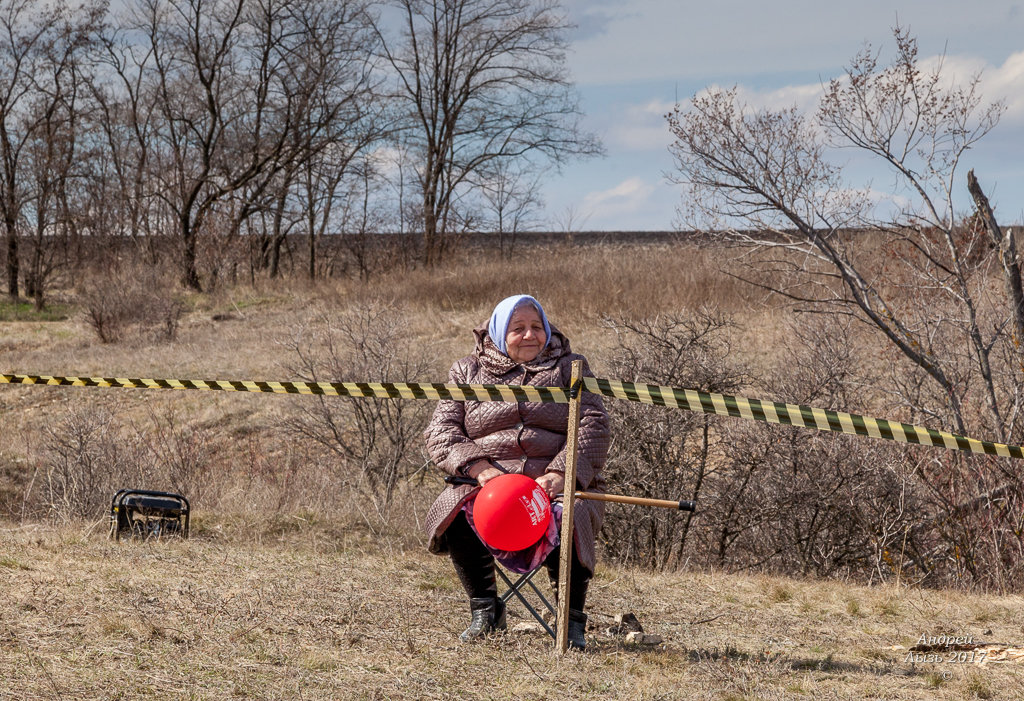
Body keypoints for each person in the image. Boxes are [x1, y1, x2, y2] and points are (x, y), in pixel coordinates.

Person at [423, 294, 610, 649]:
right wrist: (477, 467)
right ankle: (486, 611)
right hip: (486, 484)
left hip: (554, 486)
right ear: (497, 333)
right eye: (517, 328)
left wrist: (561, 473)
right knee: (457, 509)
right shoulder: (466, 371)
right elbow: (442, 430)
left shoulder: (572, 367)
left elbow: (594, 424)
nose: (529, 336)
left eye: (536, 327)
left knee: (569, 514)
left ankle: (570, 622)